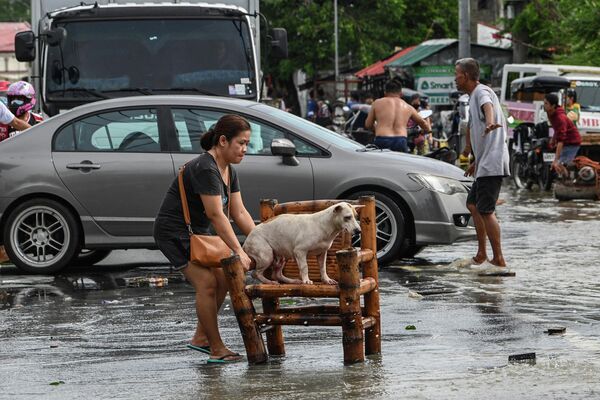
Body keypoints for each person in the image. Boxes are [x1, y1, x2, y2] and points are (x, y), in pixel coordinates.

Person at [153, 114, 255, 363]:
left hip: (197, 233)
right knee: (208, 283)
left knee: (222, 279)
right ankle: (216, 348)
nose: (244, 149)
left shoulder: (228, 169)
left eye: (247, 144)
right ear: (222, 141)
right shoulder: (206, 168)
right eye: (240, 143)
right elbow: (216, 215)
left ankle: (201, 337)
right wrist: (238, 251)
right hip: (174, 232)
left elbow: (238, 212)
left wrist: (262, 243)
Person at [455, 58, 510, 270]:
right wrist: (475, 160)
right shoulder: (472, 97)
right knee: (473, 205)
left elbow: (487, 107)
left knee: (486, 210)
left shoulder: (481, 92)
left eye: (457, 75)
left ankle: (498, 259)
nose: (455, 80)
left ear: (466, 76)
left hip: (493, 162)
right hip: (485, 162)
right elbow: (475, 129)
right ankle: (481, 254)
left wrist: (490, 121)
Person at [365, 78, 429, 153]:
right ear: (401, 93)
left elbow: (368, 125)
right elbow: (423, 123)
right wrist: (425, 131)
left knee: (383, 164)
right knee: (400, 164)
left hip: (382, 139)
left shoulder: (377, 103)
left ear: (385, 93)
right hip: (400, 140)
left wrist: (376, 129)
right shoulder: (407, 106)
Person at [544, 92, 582, 177]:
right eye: (544, 103)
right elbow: (556, 130)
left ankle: (569, 182)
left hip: (572, 143)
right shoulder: (550, 113)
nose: (544, 105)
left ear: (553, 106)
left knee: (559, 164)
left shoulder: (560, 118)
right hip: (566, 142)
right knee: (558, 164)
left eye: (546, 103)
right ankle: (565, 179)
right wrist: (553, 140)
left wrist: (556, 160)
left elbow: (561, 140)